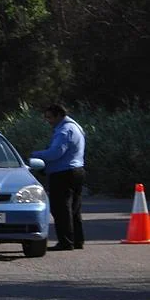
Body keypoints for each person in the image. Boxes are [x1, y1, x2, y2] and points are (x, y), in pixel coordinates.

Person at [31, 104, 86, 251]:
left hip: (63, 173)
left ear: (59, 115)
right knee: (74, 208)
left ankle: (66, 242)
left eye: (49, 117)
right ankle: (77, 240)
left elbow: (55, 153)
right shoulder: (76, 127)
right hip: (77, 170)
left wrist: (36, 155)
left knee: (61, 209)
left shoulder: (64, 130)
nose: (48, 120)